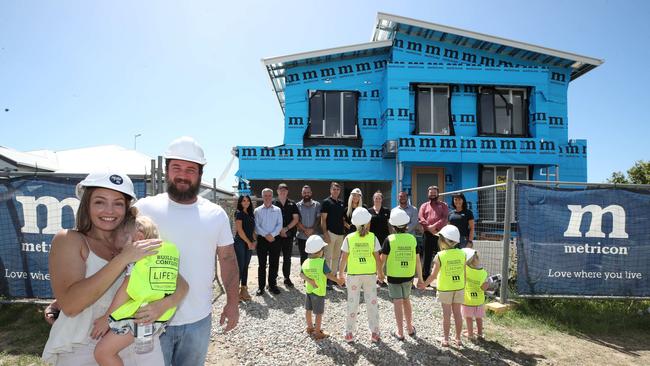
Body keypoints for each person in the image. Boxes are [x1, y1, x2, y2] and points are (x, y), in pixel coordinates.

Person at [42, 171, 176, 365]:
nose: (109, 210)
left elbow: (181, 285)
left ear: (127, 208)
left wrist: (162, 305)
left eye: (118, 203)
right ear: (86, 204)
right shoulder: (70, 239)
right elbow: (71, 306)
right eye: (99, 201)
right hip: (84, 347)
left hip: (138, 342)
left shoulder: (133, 241)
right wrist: (123, 259)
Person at [135, 136, 239, 366]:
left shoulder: (215, 214)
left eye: (191, 169)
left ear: (200, 173)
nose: (183, 175)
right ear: (166, 171)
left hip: (198, 321)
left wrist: (232, 302)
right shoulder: (143, 208)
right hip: (150, 319)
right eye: (177, 167)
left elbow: (228, 259)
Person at [94, 216, 187, 366]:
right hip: (158, 317)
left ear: (138, 238)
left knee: (102, 353)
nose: (119, 249)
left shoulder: (137, 258)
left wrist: (107, 318)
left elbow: (126, 290)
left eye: (121, 243)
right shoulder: (161, 256)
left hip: (139, 316)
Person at [338, 207, 383, 344]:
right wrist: (380, 273)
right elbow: (377, 258)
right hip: (369, 274)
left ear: (354, 223)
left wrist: (340, 274)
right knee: (372, 303)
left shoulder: (349, 238)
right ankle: (375, 332)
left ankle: (349, 333)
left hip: (353, 275)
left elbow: (343, 258)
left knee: (352, 303)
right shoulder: (372, 237)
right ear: (368, 222)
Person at [379, 210, 424, 341]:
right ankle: (410, 328)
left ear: (393, 226)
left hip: (393, 276)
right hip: (408, 276)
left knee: (397, 302)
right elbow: (417, 261)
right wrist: (420, 278)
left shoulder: (389, 239)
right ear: (406, 225)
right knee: (406, 300)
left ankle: (400, 332)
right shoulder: (412, 239)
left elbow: (383, 260)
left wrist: (379, 274)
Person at [422, 225, 466, 348]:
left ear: (443, 240)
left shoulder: (440, 256)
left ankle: (446, 339)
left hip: (445, 289)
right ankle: (458, 338)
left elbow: (433, 275)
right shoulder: (462, 254)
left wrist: (423, 285)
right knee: (457, 313)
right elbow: (464, 272)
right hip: (459, 287)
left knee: (446, 315)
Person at [300, 235, 344, 340]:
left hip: (309, 290)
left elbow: (301, 275)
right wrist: (338, 281)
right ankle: (317, 332)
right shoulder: (321, 262)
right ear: (320, 251)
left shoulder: (305, 262)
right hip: (318, 292)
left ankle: (310, 327)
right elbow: (328, 275)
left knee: (308, 310)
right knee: (319, 313)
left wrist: (310, 281)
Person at [254, 188, 283, 295]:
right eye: (265, 195)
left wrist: (273, 234)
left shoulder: (277, 210)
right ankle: (261, 287)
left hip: (275, 239)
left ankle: (272, 285)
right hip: (262, 239)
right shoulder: (257, 210)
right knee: (262, 264)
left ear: (272, 197)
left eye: (269, 195)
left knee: (274, 263)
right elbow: (256, 226)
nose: (267, 197)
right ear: (262, 197)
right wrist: (266, 235)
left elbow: (279, 224)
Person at [418, 186, 449, 282]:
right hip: (427, 235)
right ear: (428, 194)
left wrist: (434, 227)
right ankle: (425, 279)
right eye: (431, 193)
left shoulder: (443, 205)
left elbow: (444, 218)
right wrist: (429, 228)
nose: (432, 195)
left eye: (434, 193)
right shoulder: (424, 206)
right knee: (426, 257)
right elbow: (421, 218)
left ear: (438, 194)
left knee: (441, 256)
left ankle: (442, 279)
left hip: (440, 235)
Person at [273, 183, 300, 288]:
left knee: (287, 258)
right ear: (277, 191)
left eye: (285, 190)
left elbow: (296, 219)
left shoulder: (292, 204)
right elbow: (271, 220)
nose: (283, 191)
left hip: (288, 235)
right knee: (274, 258)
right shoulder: (273, 203)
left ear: (287, 191)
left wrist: (286, 229)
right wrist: (279, 230)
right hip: (276, 235)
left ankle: (286, 278)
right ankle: (273, 279)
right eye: (281, 189)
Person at [320, 182, 346, 288]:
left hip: (340, 234)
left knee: (336, 257)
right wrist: (325, 233)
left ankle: (334, 278)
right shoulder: (326, 202)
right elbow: (323, 219)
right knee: (327, 257)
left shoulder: (341, 203)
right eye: (334, 189)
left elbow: (343, 219)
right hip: (330, 233)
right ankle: (327, 279)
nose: (336, 191)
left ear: (339, 191)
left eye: (337, 190)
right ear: (330, 190)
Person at [461, 248, 489, 340]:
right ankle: (480, 333)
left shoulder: (464, 269)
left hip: (467, 299)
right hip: (479, 300)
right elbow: (484, 287)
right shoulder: (483, 273)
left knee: (468, 318)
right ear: (477, 259)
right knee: (478, 318)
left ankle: (470, 334)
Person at [234, 195, 256, 301]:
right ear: (240, 202)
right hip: (240, 243)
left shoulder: (251, 214)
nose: (246, 202)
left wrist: (254, 241)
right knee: (240, 266)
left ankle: (243, 289)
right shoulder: (239, 213)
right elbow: (240, 230)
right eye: (243, 201)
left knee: (246, 266)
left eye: (248, 201)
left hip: (249, 243)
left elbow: (252, 230)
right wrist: (248, 242)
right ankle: (235, 292)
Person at [368, 191, 391, 288]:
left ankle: (380, 278)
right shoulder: (369, 211)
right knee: (373, 258)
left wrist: (391, 236)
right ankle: (373, 277)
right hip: (372, 238)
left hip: (384, 238)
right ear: (373, 199)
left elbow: (390, 225)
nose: (377, 200)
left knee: (383, 259)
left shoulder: (386, 211)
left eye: (379, 198)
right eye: (376, 198)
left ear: (382, 200)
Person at [296, 185, 321, 265]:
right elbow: (296, 220)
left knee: (315, 257)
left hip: (314, 236)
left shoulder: (317, 205)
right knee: (303, 257)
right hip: (302, 236)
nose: (306, 194)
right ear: (302, 194)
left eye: (308, 192)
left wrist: (312, 229)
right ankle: (304, 276)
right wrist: (305, 230)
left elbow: (318, 219)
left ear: (311, 193)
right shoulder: (297, 205)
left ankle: (313, 275)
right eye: (304, 192)